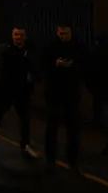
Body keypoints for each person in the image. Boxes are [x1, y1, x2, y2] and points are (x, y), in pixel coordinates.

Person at [0, 27, 39, 158]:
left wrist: (32, 78)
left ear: (25, 36)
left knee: (25, 119)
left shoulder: (29, 50)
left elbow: (35, 66)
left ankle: (25, 145)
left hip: (22, 90)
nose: (18, 37)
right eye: (16, 34)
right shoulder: (4, 49)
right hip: (6, 90)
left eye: (20, 35)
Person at [43, 24, 84, 173]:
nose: (63, 36)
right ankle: (50, 158)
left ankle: (72, 160)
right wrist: (55, 64)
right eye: (61, 33)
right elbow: (43, 66)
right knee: (52, 127)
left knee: (72, 128)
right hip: (55, 92)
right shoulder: (51, 47)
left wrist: (73, 65)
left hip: (70, 92)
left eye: (65, 33)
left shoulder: (77, 47)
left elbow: (84, 65)